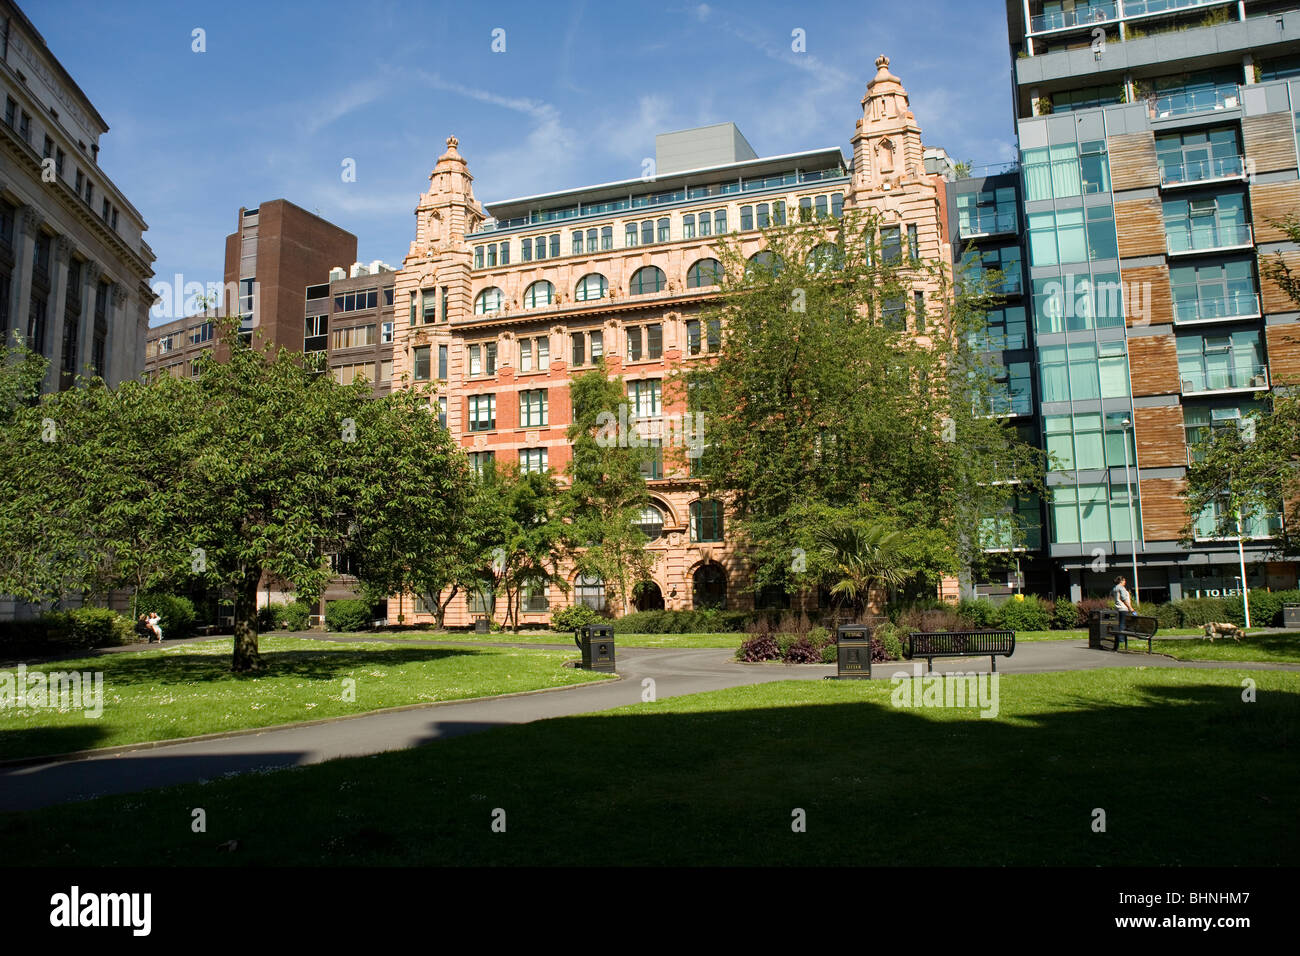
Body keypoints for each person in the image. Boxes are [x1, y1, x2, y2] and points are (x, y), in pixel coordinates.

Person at [1111, 575, 1135, 645]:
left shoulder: (1115, 588)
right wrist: (1130, 608)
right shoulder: (1121, 588)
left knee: (1120, 623)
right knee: (1122, 624)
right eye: (1124, 580)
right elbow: (1124, 599)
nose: (1125, 582)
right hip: (1123, 608)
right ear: (1121, 581)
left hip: (1117, 608)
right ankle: (1121, 639)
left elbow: (1113, 596)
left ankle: (1119, 638)